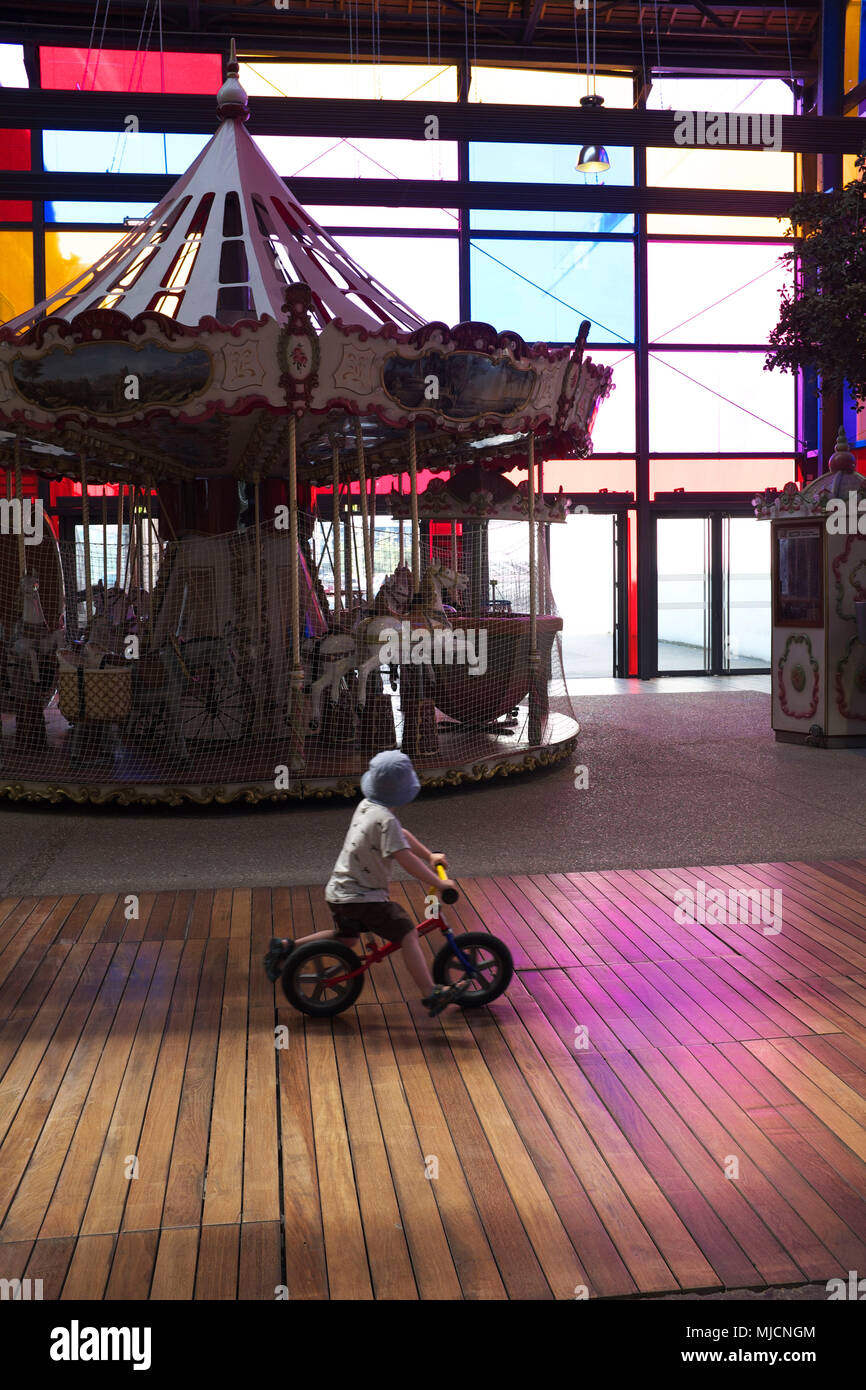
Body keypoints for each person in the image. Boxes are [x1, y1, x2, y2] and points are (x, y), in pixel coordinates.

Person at [264, 750, 462, 1015]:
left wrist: (429, 855)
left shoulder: (368, 806)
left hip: (339, 892)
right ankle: (431, 993)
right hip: (363, 898)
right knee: (407, 932)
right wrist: (439, 884)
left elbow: (401, 836)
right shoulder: (386, 820)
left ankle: (286, 947)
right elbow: (403, 857)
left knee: (346, 940)